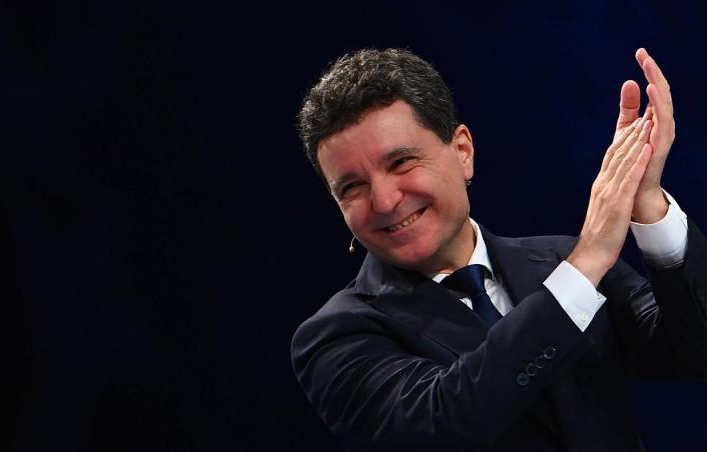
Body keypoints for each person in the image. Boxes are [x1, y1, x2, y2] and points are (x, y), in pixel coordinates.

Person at [290, 48, 707, 451]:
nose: (384, 201)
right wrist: (587, 262)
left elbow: (692, 350)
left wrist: (647, 200)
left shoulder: (558, 262)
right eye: (352, 187)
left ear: (462, 151)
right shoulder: (335, 335)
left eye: (401, 162)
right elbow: (444, 423)